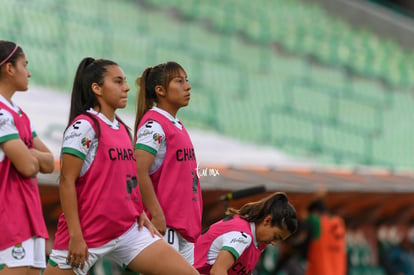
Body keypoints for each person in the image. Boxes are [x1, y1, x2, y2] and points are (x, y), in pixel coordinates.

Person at [43, 57, 200, 275]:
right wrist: (76, 236)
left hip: (129, 230)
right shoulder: (84, 126)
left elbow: (129, 180)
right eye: (118, 82)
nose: (126, 87)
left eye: (124, 81)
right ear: (97, 88)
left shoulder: (123, 129)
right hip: (88, 233)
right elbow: (67, 181)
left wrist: (140, 213)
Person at [134, 61, 202, 264]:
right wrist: (157, 215)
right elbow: (138, 171)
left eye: (186, 81)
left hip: (185, 230)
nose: (187, 86)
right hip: (166, 226)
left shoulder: (176, 124)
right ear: (160, 90)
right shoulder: (154, 125)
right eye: (179, 81)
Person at [0, 40, 55, 275]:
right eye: (25, 64)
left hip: (31, 219)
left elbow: (49, 162)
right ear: (9, 68)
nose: (29, 72)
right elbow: (28, 167)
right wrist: (31, 155)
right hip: (9, 218)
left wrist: (27, 152)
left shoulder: (18, 113)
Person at [194, 192, 298, 275]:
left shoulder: (257, 241)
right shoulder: (242, 236)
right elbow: (217, 271)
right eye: (276, 236)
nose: (274, 243)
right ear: (267, 221)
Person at [304, 198, 347, 275]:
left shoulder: (317, 222)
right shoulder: (339, 222)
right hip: (338, 271)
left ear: (315, 212)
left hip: (321, 271)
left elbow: (305, 217)